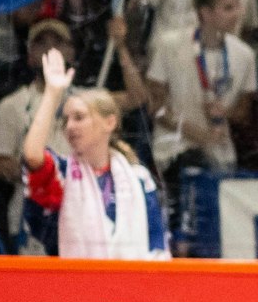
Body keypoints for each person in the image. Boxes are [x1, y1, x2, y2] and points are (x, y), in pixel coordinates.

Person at [21, 49, 168, 259]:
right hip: (72, 278)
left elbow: (157, 247)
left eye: (79, 117)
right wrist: (53, 93)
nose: (69, 126)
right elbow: (32, 155)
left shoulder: (139, 179)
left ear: (110, 123)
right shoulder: (63, 174)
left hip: (129, 280)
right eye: (66, 120)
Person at [140, 0, 258, 186]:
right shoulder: (169, 45)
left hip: (221, 156)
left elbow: (245, 111)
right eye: (228, 8)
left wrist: (226, 113)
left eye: (238, 7)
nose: (237, 14)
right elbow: (154, 105)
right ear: (206, 13)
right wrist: (197, 134)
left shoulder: (245, 54)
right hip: (174, 152)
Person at [0, 18, 79, 251]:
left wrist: (120, 45)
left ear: (71, 52)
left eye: (58, 42)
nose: (50, 49)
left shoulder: (87, 104)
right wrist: (39, 175)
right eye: (41, 43)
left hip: (80, 217)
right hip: (30, 219)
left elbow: (137, 98)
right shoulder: (12, 105)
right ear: (29, 55)